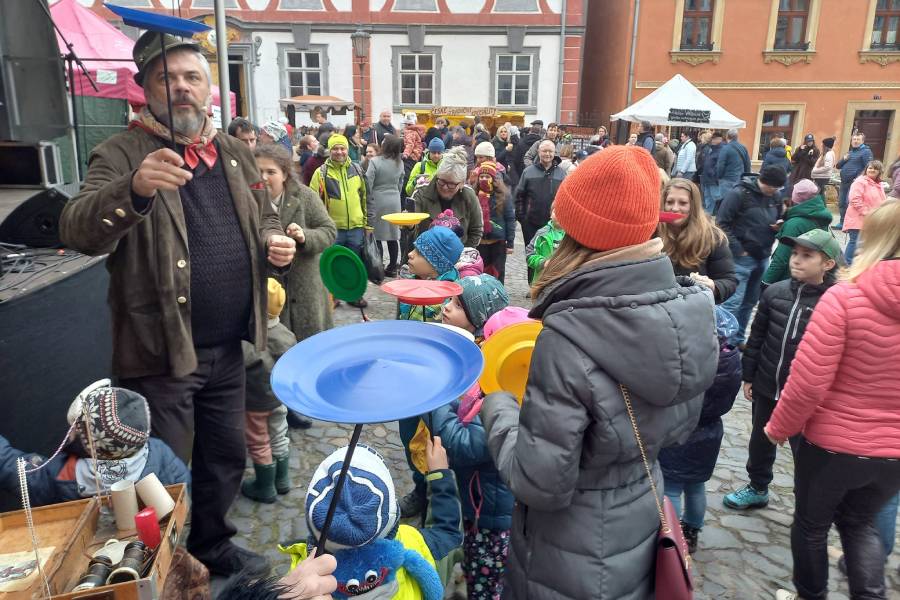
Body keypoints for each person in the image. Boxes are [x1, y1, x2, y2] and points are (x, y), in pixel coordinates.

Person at [59, 32, 295, 577]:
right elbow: (78, 228)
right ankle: (160, 563)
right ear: (146, 90)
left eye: (193, 78)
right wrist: (134, 190)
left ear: (210, 89)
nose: (182, 88)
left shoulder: (235, 153)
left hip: (228, 345)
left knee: (226, 457)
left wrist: (276, 244)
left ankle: (212, 544)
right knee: (163, 474)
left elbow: (263, 218)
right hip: (161, 348)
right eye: (168, 78)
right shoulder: (120, 153)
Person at [480, 146, 717, 600]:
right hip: (639, 520)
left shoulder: (569, 336)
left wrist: (500, 407)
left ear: (580, 231)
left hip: (566, 552)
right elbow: (677, 425)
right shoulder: (691, 310)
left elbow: (540, 482)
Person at [766, 200, 900, 600]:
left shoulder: (844, 299)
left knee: (810, 526)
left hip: (833, 446)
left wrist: (778, 428)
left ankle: (812, 595)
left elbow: (807, 383)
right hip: (893, 451)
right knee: (860, 524)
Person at [724, 229, 839, 513]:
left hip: (805, 396)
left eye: (807, 255)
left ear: (828, 264)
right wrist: (748, 375)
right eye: (794, 254)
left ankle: (808, 499)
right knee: (761, 440)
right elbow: (757, 337)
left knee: (807, 450)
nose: (796, 261)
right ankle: (757, 486)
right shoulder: (774, 292)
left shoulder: (835, 301)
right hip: (767, 385)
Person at [279, 440, 463, 600]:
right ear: (393, 519)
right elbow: (449, 534)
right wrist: (439, 474)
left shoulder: (297, 589)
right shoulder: (416, 545)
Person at [431, 284, 516, 600]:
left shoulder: (502, 401)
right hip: (481, 505)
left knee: (486, 577)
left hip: (490, 517)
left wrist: (442, 393)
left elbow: (461, 444)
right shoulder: (498, 385)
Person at [0, 381, 189, 507]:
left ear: (86, 441)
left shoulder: (66, 473)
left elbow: (12, 467)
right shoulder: (159, 452)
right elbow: (186, 493)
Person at [659, 307, 742, 553]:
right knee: (696, 485)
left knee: (671, 487)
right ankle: (692, 531)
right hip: (711, 432)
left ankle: (670, 537)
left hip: (682, 431)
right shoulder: (731, 357)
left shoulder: (696, 359)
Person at [254, 144, 335, 345]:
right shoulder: (246, 201)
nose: (263, 177)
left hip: (306, 288)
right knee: (274, 350)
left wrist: (304, 236)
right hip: (267, 292)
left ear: (284, 174)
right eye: (258, 171)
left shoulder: (305, 196)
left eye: (271, 172)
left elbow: (329, 231)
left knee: (311, 346)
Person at [717, 165, 787, 347]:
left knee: (750, 301)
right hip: (741, 258)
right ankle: (724, 344)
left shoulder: (776, 197)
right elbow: (721, 223)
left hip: (763, 255)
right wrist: (738, 248)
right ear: (763, 181)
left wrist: (778, 225)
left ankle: (738, 339)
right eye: (772, 188)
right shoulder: (739, 194)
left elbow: (778, 216)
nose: (773, 192)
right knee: (733, 302)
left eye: (777, 189)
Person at [240, 279, 296, 503]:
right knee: (279, 435)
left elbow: (242, 362)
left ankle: (265, 487)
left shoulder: (250, 339)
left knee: (259, 441)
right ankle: (282, 480)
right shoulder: (285, 334)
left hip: (255, 403)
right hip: (278, 400)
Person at [309, 134, 372, 309]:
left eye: (342, 148)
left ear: (347, 150)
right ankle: (334, 296)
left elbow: (366, 198)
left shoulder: (358, 170)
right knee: (333, 264)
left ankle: (354, 295)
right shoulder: (321, 173)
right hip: (332, 229)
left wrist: (368, 224)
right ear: (330, 150)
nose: (339, 152)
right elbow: (312, 202)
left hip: (356, 227)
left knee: (354, 264)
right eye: (335, 148)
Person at [659, 178, 737, 303]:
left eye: (683, 203)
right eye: (670, 202)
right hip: (658, 308)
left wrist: (713, 286)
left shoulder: (713, 237)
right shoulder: (653, 232)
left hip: (694, 309)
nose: (674, 208)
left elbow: (729, 281)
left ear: (693, 206)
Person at [762, 179, 833, 286]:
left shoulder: (795, 224)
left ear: (795, 197)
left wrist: (766, 282)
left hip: (788, 281)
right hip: (810, 275)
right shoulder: (821, 215)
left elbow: (781, 259)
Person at [413, 146, 484, 247]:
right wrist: (409, 226)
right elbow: (411, 232)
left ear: (461, 184)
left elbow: (476, 231)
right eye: (441, 181)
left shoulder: (469, 196)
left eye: (451, 184)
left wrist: (462, 254)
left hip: (457, 258)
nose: (445, 187)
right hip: (422, 255)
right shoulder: (421, 193)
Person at [400, 226, 465, 322]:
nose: (410, 254)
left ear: (436, 264)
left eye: (420, 253)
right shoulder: (416, 279)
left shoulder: (443, 300)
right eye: (414, 249)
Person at [515, 139, 567, 257]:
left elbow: (565, 199)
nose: (547, 154)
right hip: (531, 223)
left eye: (550, 151)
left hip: (554, 224)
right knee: (532, 255)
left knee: (552, 256)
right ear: (539, 152)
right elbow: (519, 196)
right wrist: (522, 218)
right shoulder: (528, 172)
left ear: (555, 153)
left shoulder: (562, 174)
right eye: (544, 151)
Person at [366, 134, 405, 277]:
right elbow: (401, 183)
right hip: (394, 200)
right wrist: (396, 194)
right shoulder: (399, 163)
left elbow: (368, 181)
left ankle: (379, 266)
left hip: (377, 199)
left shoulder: (375, 161)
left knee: (377, 235)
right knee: (393, 235)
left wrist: (367, 198)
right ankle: (393, 267)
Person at [472, 161, 515, 283]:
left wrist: (510, 242)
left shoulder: (503, 195)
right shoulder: (473, 195)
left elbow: (510, 218)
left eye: (487, 177)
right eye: (481, 177)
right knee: (479, 271)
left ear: (493, 178)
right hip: (479, 242)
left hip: (497, 242)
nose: (484, 179)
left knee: (497, 271)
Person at [844, 160, 887, 265]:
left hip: (871, 220)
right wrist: (867, 213)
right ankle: (847, 265)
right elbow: (854, 199)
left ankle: (858, 265)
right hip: (858, 218)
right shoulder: (860, 182)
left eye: (875, 168)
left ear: (879, 171)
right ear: (866, 169)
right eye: (870, 168)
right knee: (855, 242)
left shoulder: (878, 185)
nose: (872, 170)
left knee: (864, 245)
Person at [835, 131, 874, 229]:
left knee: (850, 203)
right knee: (841, 203)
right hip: (844, 182)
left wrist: (858, 179)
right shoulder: (850, 152)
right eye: (854, 139)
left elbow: (868, 166)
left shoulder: (866, 152)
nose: (855, 141)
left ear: (863, 141)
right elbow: (838, 166)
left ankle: (850, 224)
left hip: (855, 183)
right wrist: (844, 159)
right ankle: (842, 222)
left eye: (858, 139)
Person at [525, 208, 565, 284]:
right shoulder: (542, 233)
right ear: (550, 215)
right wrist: (543, 262)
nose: (559, 215)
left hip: (562, 282)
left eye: (563, 212)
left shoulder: (571, 236)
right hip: (542, 282)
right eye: (556, 212)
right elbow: (529, 255)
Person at [700, 131, 724, 214]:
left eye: (714, 139)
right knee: (708, 198)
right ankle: (708, 215)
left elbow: (720, 166)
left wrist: (713, 174)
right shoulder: (711, 149)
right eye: (712, 139)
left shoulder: (721, 150)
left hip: (713, 179)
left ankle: (717, 214)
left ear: (719, 139)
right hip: (707, 178)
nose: (712, 141)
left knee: (716, 197)